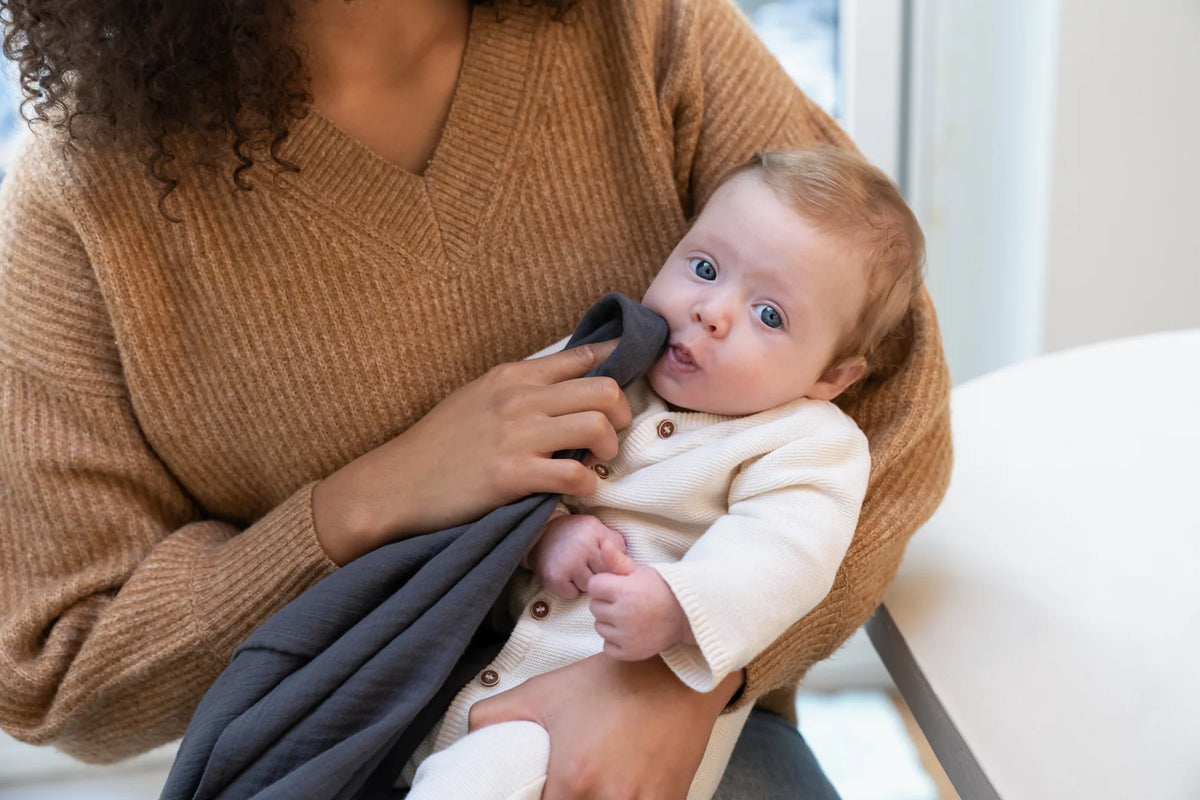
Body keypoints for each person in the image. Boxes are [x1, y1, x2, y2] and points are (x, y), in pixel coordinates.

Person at [0, 1, 951, 798]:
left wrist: (688, 677)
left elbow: (894, 406)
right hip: (346, 753)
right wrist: (369, 504)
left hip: (677, 743)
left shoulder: (643, 27)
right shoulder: (82, 193)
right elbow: (57, 660)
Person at [403, 146, 921, 800]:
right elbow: (500, 472)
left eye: (769, 315)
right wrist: (548, 534)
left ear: (830, 377)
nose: (712, 311)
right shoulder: (610, 364)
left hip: (624, 727)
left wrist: (680, 604)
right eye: (703, 268)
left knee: (465, 783)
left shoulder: (806, 441)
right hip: (493, 683)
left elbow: (787, 555)